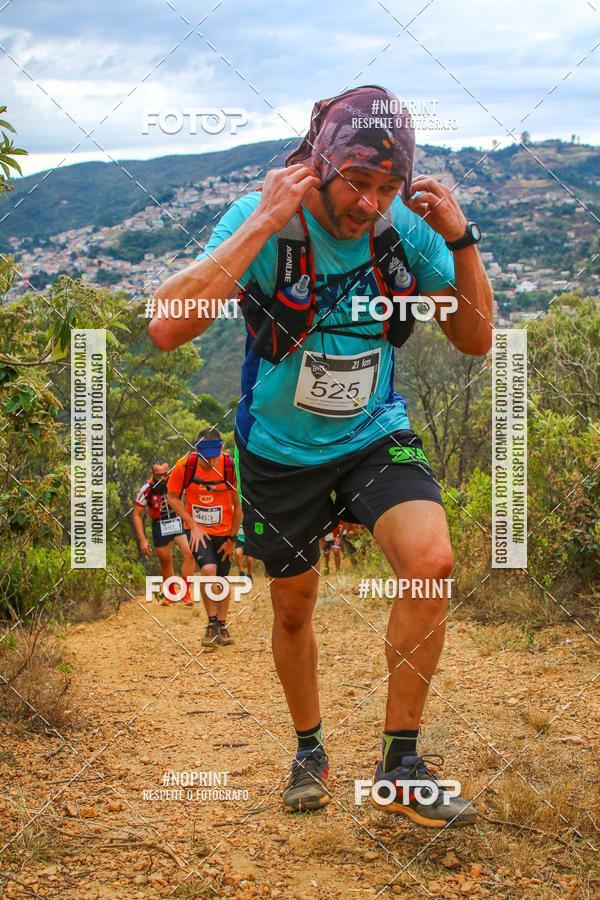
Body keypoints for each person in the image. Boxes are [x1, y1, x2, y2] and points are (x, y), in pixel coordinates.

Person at [149, 84, 492, 826]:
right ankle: (309, 747)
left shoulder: (403, 226)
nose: (371, 204)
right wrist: (266, 220)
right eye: (358, 183)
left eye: (387, 188)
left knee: (431, 562)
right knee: (294, 607)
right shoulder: (264, 214)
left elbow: (474, 339)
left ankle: (401, 764)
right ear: (321, 164)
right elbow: (167, 327)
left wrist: (462, 242)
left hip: (372, 433)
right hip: (279, 450)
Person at [166, 428, 242, 647]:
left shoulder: (230, 467)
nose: (209, 462)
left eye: (213, 456)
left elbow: (239, 508)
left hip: (225, 531)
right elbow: (172, 497)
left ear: (221, 449)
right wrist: (193, 525)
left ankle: (222, 625)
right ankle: (211, 624)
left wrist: (232, 539)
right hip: (198, 531)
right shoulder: (185, 466)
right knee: (208, 570)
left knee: (222, 579)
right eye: (204, 457)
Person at [133, 458, 194, 606]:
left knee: (189, 554)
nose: (162, 478)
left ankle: (186, 593)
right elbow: (136, 514)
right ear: (152, 474)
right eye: (158, 475)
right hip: (160, 524)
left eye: (165, 474)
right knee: (166, 561)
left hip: (177, 520)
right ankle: (171, 594)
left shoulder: (176, 481)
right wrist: (142, 540)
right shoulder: (146, 489)